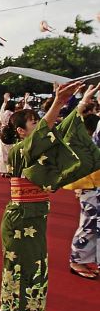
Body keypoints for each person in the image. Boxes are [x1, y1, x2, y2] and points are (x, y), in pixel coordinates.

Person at [0, 82, 100, 311]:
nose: (42, 125)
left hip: (36, 218)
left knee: (34, 268)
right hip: (20, 219)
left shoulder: (39, 149)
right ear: (21, 132)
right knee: (18, 268)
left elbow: (61, 132)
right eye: (34, 123)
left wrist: (80, 105)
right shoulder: (21, 151)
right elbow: (48, 133)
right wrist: (58, 102)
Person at [67, 112, 100, 279]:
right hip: (93, 184)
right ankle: (76, 260)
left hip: (94, 183)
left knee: (94, 225)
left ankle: (86, 259)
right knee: (90, 223)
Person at [0, 93, 16, 177]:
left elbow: (0, 116)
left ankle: (3, 170)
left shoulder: (4, 113)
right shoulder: (14, 114)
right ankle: (9, 170)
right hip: (11, 132)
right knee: (10, 152)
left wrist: (5, 101)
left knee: (3, 152)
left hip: (3, 131)